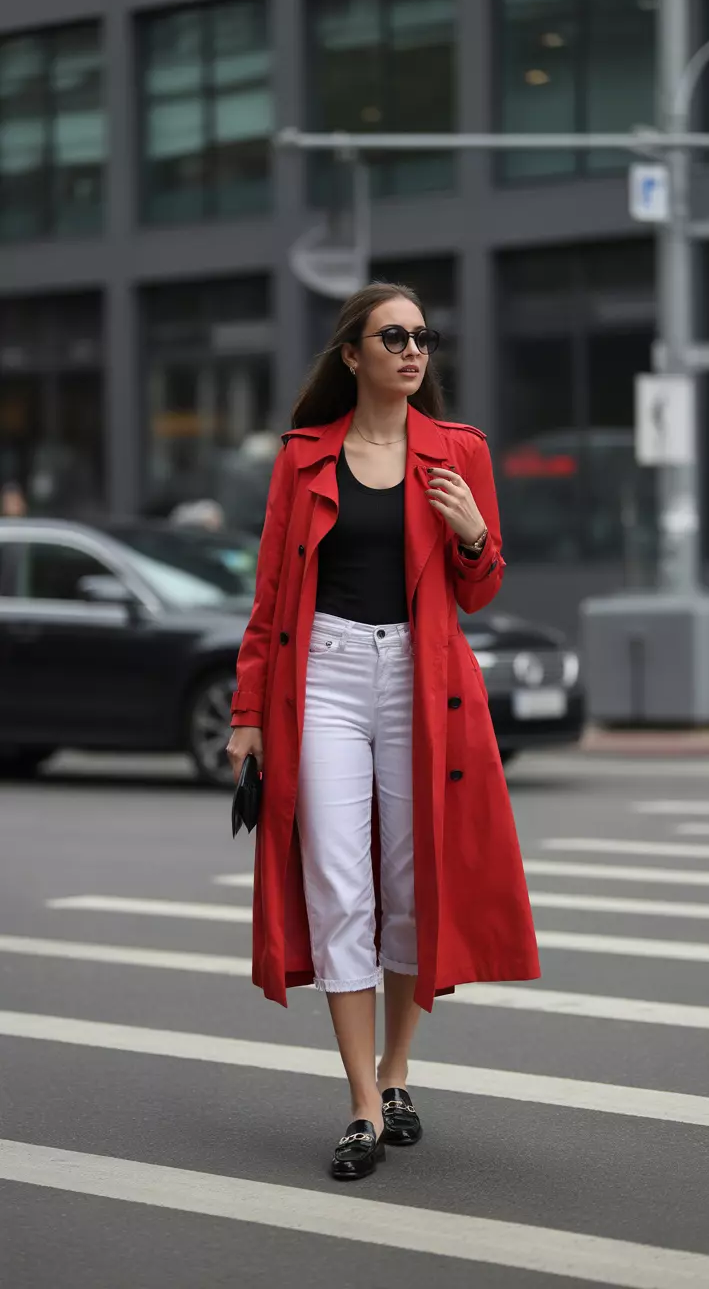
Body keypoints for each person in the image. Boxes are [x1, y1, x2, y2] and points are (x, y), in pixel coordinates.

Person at [227, 282, 540, 1181]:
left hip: (419, 675)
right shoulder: (303, 458)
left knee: (412, 882)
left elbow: (480, 589)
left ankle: (398, 1072)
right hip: (320, 674)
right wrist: (247, 714)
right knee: (337, 882)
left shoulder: (458, 453)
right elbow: (270, 598)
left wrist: (476, 533)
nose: (412, 350)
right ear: (353, 356)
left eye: (423, 337)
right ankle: (363, 1104)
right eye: (392, 336)